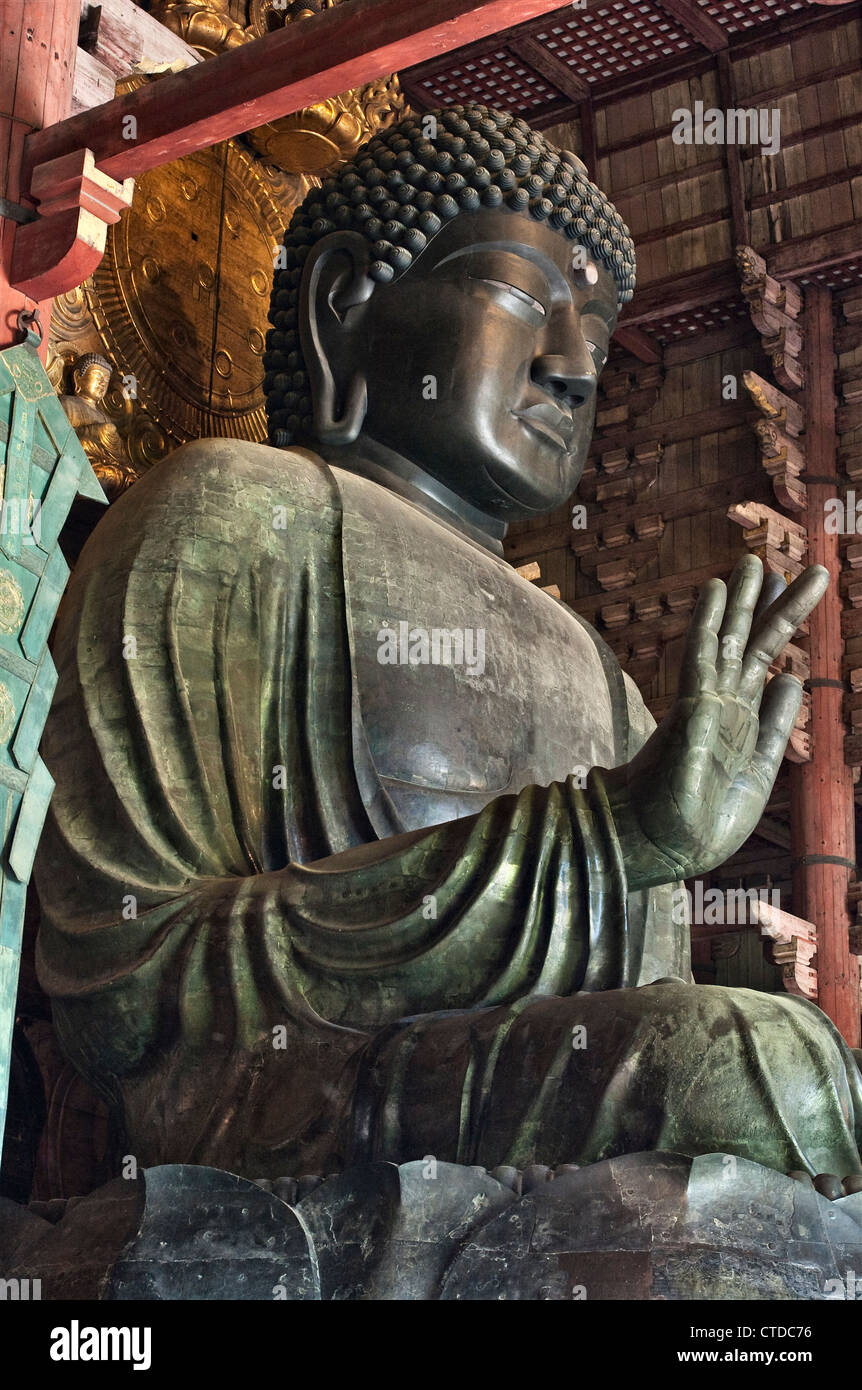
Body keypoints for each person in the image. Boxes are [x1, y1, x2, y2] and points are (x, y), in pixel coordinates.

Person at [35, 105, 861, 1183]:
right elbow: (126, 983)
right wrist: (601, 837)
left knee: (786, 1061)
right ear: (344, 305)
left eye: (598, 337)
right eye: (522, 300)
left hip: (518, 1090)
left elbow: (631, 1004)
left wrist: (635, 849)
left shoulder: (600, 673)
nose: (572, 368)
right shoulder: (230, 512)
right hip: (301, 1100)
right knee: (733, 1070)